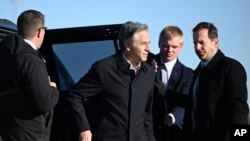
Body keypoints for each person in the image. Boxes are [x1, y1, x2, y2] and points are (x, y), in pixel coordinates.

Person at [65, 21, 155, 141]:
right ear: (127, 45)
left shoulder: (148, 73)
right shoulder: (104, 69)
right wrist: (83, 128)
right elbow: (74, 96)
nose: (149, 48)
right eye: (144, 44)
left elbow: (146, 114)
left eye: (149, 43)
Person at [182, 21, 249, 141]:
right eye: (195, 43)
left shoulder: (232, 68)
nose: (197, 47)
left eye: (202, 43)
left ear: (216, 42)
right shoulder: (197, 72)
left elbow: (239, 111)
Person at [0, 10, 59, 141]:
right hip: (29, 135)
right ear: (40, 31)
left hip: (7, 131)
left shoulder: (5, 56)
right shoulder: (31, 60)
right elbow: (44, 102)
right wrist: (53, 89)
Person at [151, 26, 193, 141]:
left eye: (174, 47)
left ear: (181, 47)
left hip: (174, 133)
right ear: (159, 44)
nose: (170, 50)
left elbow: (185, 101)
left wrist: (172, 117)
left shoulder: (188, 74)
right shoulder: (146, 64)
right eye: (166, 46)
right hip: (147, 131)